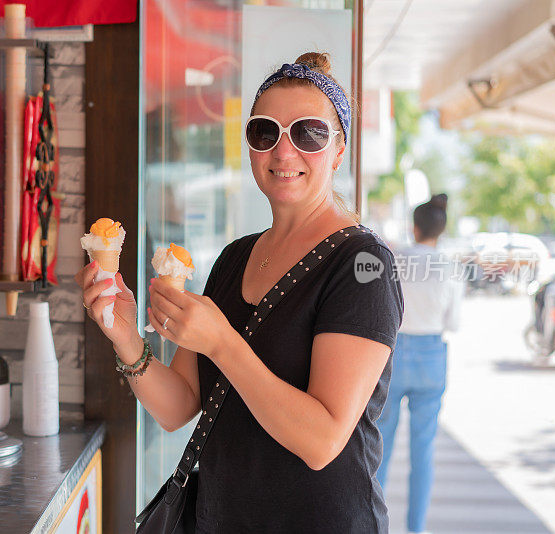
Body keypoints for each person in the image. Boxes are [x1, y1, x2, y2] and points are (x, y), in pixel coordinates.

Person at [76, 52, 404, 532]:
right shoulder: (235, 257)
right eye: (265, 132)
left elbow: (322, 441)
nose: (284, 151)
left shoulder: (362, 266)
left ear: (338, 150)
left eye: (309, 133)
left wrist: (222, 342)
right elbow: (180, 405)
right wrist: (126, 337)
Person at [376, 194, 462, 534]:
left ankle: (374, 522)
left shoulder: (393, 259)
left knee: (378, 443)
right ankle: (416, 528)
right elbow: (453, 323)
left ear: (414, 227)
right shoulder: (449, 267)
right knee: (423, 449)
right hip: (431, 357)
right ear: (440, 231)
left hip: (392, 354)